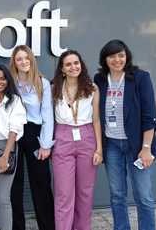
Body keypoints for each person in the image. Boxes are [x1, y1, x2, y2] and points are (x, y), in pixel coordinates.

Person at [94, 40, 156, 230]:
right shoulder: (100, 80)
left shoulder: (140, 78)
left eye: (121, 55)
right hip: (112, 145)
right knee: (117, 195)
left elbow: (150, 115)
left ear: (127, 56)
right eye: (112, 56)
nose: (117, 60)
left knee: (143, 196)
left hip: (138, 146)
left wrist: (146, 148)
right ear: (105, 59)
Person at [51, 50, 103, 230]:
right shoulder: (54, 88)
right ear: (62, 69)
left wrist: (99, 149)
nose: (73, 67)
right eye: (68, 64)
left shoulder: (92, 88)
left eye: (76, 63)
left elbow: (96, 119)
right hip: (62, 137)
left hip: (87, 137)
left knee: (85, 192)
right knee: (64, 194)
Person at [8, 45, 55, 230]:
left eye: (26, 58)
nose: (23, 62)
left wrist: (46, 144)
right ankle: (17, 226)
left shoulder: (41, 82)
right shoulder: (10, 82)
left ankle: (47, 226)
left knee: (41, 183)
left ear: (32, 60)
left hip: (35, 134)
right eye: (19, 59)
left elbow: (47, 115)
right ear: (14, 62)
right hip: (15, 133)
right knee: (14, 184)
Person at [0, 65, 27, 230]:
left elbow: (14, 131)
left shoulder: (14, 100)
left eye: (2, 78)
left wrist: (6, 156)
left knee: (3, 197)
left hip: (7, 149)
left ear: (8, 80)